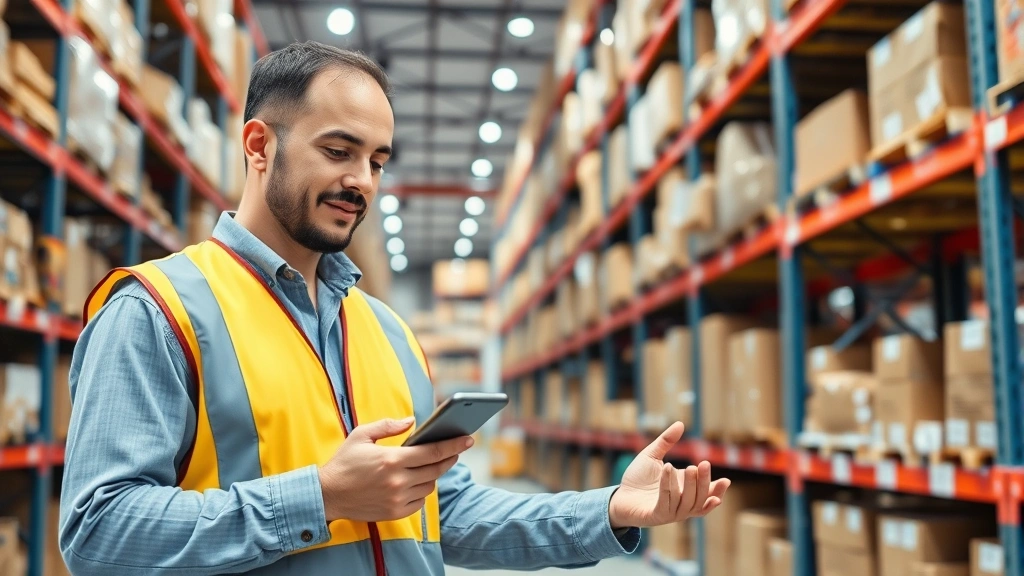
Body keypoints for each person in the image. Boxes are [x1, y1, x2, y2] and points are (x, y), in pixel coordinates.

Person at [59, 42, 730, 575]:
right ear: (260, 146)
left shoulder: (385, 331)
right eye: (337, 150)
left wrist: (611, 509)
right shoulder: (156, 311)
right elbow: (97, 533)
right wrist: (322, 499)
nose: (362, 181)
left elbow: (444, 512)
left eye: (377, 160)